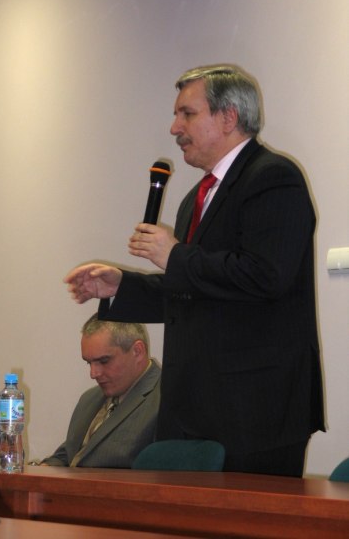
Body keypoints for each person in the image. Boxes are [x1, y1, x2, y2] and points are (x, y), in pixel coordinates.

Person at [63, 64, 325, 477]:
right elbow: (190, 291)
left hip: (254, 411)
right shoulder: (195, 199)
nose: (174, 128)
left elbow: (266, 275)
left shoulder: (274, 177)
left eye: (187, 114)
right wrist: (120, 287)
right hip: (191, 411)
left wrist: (175, 256)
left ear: (228, 117)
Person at [40, 314, 161, 467]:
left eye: (104, 361)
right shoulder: (89, 399)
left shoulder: (166, 401)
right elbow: (68, 456)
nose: (93, 374)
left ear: (138, 351)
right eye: (88, 363)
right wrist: (43, 470)